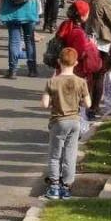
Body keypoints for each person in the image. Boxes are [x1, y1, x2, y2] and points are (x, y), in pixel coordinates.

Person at [40, 45, 90, 201]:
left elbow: (44, 104)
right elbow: (88, 104)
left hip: (59, 121)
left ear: (58, 62)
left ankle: (54, 186)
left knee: (55, 154)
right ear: (76, 63)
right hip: (74, 121)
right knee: (70, 153)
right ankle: (66, 186)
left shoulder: (52, 82)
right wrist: (78, 101)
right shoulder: (81, 82)